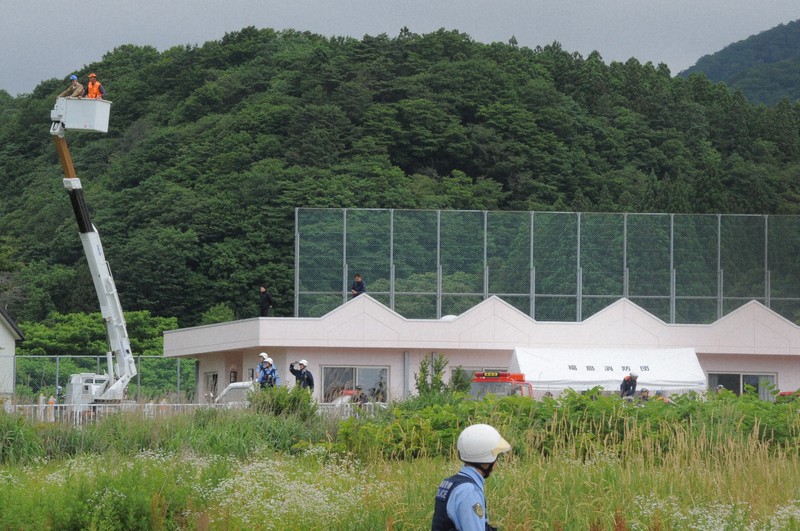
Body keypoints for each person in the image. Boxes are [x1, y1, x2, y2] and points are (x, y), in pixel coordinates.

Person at [432, 424, 511, 531]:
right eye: (496, 457)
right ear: (487, 459)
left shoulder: (449, 483)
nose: (496, 463)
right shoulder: (469, 491)